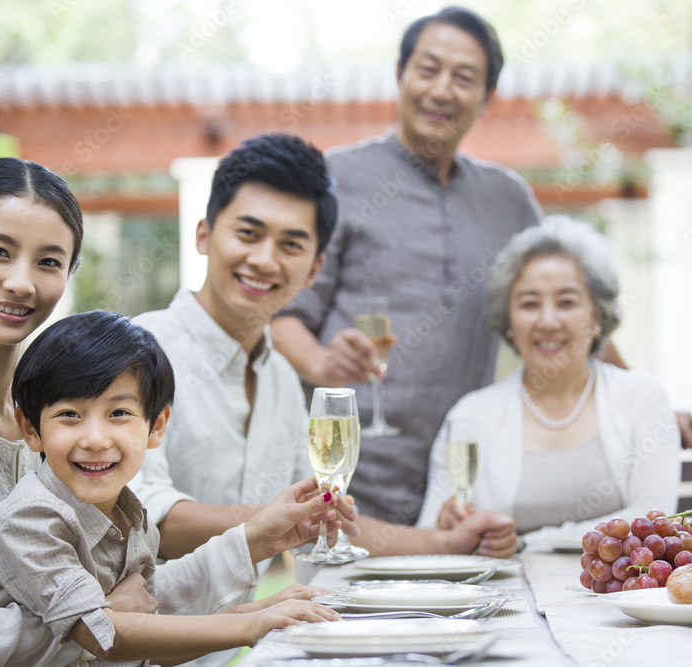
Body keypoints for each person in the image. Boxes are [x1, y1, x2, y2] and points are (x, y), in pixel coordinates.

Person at [0, 158, 331, 667]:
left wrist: (255, 542)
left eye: (48, 262)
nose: (21, 283)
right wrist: (96, 622)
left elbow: (138, 598)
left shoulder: (62, 417)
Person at [129, 133, 516, 571]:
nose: (264, 259)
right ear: (204, 235)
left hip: (240, 640)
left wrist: (447, 542)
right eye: (248, 233)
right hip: (137, 635)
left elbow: (321, 515)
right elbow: (140, 513)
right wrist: (278, 520)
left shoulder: (280, 379)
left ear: (314, 268)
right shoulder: (137, 353)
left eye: (291, 245)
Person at [271, 6, 543, 526]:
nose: (443, 90)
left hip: (462, 479)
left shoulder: (509, 200)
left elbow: (571, 309)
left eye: (465, 77)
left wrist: (642, 397)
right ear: (399, 76)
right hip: (343, 479)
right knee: (333, 611)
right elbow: (281, 316)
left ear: (487, 98)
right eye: (428, 69)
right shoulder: (335, 179)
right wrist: (324, 363)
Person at [0, 311, 338, 666]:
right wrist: (248, 626)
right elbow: (104, 636)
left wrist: (264, 610)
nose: (94, 439)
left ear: (156, 426)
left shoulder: (131, 514)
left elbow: (152, 625)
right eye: (69, 415)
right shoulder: (31, 518)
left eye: (118, 413)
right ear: (30, 428)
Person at [416, 216, 681, 542]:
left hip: (615, 592)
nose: (548, 321)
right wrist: (447, 523)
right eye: (529, 304)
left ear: (597, 316)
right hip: (503, 593)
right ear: (509, 321)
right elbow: (430, 532)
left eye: (567, 302)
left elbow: (653, 519)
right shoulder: (469, 415)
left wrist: (530, 543)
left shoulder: (643, 397)